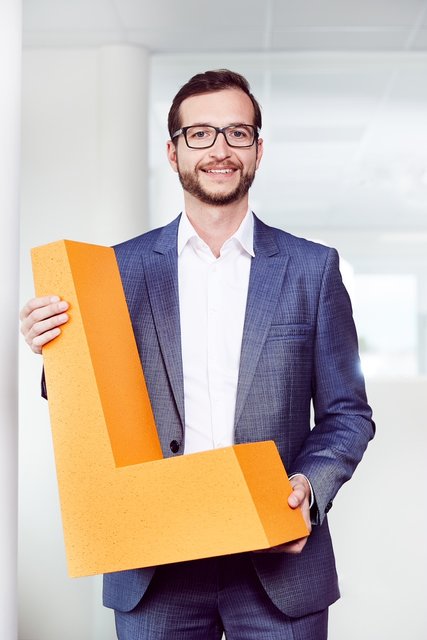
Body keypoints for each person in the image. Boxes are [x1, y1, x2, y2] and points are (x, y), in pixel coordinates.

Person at [20, 69, 375, 640]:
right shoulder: (115, 272)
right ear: (173, 151)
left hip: (276, 563)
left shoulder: (313, 269)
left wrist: (310, 488)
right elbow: (96, 407)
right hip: (155, 563)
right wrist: (54, 352)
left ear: (258, 149)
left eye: (237, 133)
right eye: (201, 134)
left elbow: (348, 414)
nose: (220, 150)